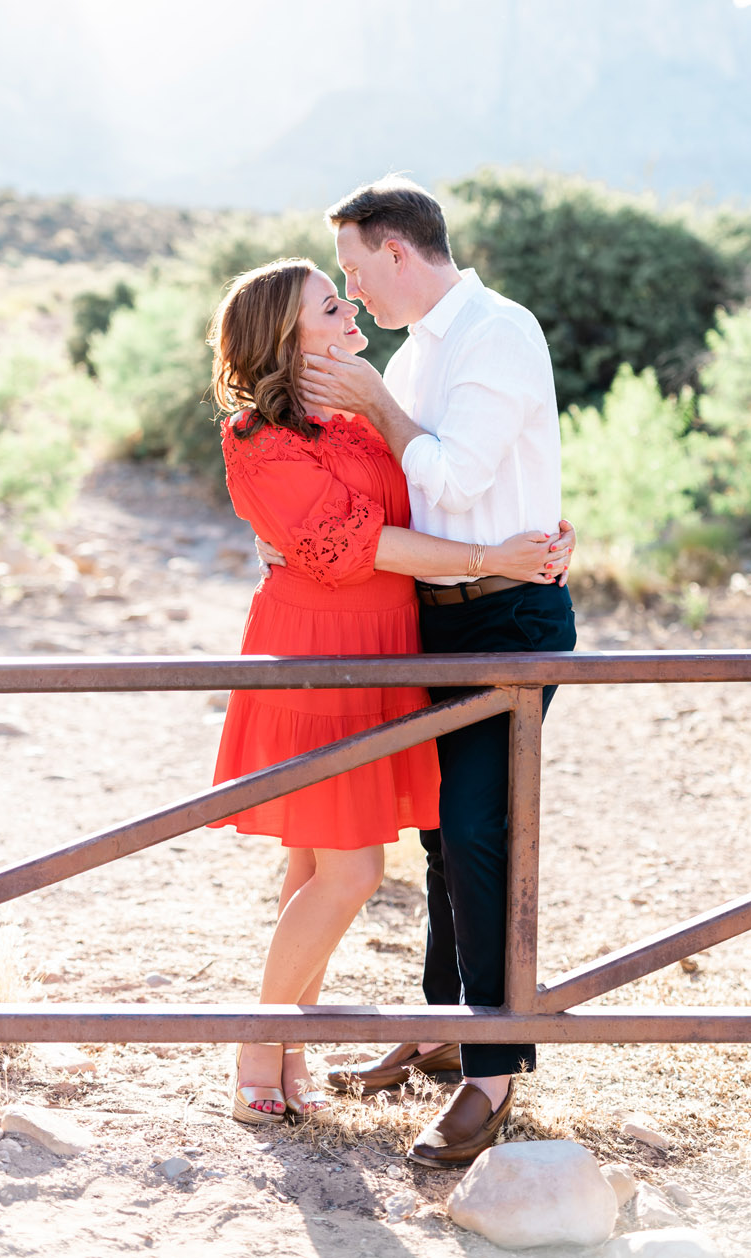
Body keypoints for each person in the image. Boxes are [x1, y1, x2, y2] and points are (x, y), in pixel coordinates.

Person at [206, 256, 571, 1129]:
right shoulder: (259, 440)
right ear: (286, 344)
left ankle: (289, 1046)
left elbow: (443, 488)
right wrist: (492, 561)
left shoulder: (353, 423)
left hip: (384, 651)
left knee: (313, 863)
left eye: (345, 293)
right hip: (319, 659)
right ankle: (256, 1045)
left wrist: (531, 524)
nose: (350, 310)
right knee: (353, 869)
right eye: (330, 307)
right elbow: (365, 546)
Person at [294, 178, 577, 1168]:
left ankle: (493, 1072)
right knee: (436, 835)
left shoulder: (497, 333)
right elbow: (413, 496)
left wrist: (371, 398)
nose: (350, 287)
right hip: (436, 618)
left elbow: (453, 477)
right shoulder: (417, 357)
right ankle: (440, 1027)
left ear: (397, 252)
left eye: (353, 266)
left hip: (507, 618)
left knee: (476, 830)